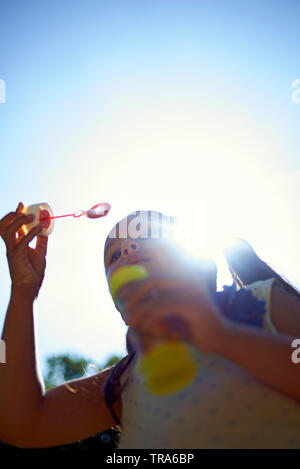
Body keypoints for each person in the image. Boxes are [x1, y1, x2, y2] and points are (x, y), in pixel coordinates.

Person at [0, 204, 299, 449]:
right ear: (121, 309)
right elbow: (20, 424)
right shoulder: (125, 380)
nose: (128, 250)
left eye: (146, 237)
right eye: (115, 255)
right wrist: (23, 291)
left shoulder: (260, 301)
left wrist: (222, 337)